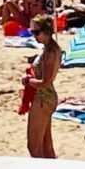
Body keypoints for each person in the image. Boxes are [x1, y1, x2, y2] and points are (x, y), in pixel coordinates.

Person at [24, 15, 60, 158]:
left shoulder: (49, 53)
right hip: (47, 98)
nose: (34, 36)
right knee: (46, 147)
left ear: (46, 31)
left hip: (42, 98)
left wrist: (27, 81)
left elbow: (45, 81)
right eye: (32, 32)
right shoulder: (52, 49)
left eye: (36, 32)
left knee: (34, 146)